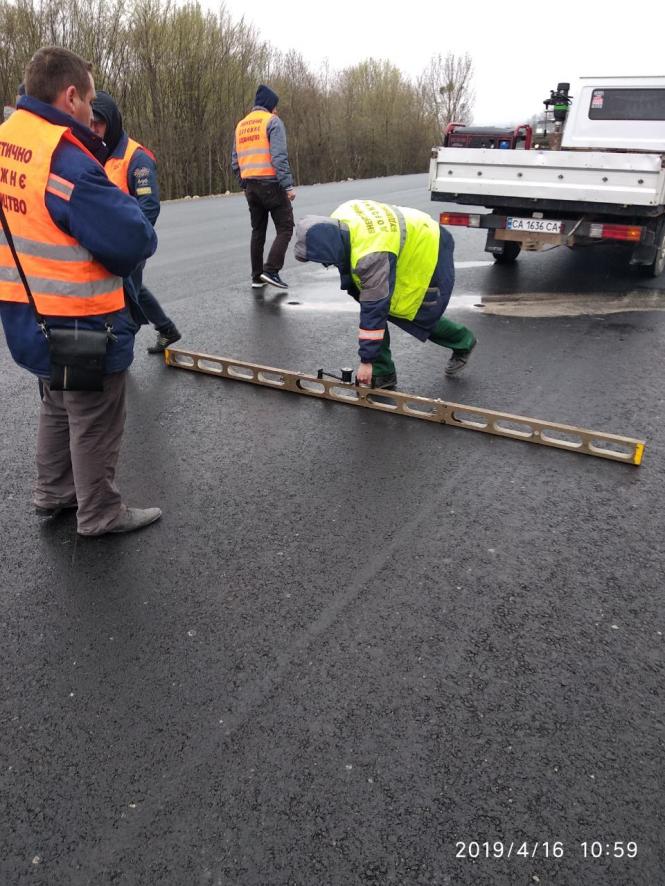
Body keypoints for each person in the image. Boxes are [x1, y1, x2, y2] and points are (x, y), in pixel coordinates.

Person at [0, 46, 161, 536]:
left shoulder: (7, 139)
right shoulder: (64, 160)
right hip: (80, 317)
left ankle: (53, 492)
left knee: (56, 399)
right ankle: (100, 512)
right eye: (90, 102)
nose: (94, 114)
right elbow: (134, 238)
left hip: (26, 311)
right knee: (93, 414)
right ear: (70, 96)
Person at [294, 199, 477, 389]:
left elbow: (375, 307)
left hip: (427, 245)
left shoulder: (371, 254)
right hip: (404, 239)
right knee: (375, 304)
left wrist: (366, 362)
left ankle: (462, 340)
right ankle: (383, 371)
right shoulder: (339, 219)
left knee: (408, 310)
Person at [91, 90, 181, 354]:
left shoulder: (136, 157)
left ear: (112, 122)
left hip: (129, 243)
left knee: (123, 298)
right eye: (91, 122)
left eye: (99, 123)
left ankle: (119, 358)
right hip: (106, 243)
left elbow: (149, 207)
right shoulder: (98, 152)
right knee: (134, 288)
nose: (94, 128)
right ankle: (167, 329)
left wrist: (129, 243)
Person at [232, 84, 295, 290]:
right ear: (269, 105)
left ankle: (257, 277)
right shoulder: (272, 122)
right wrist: (288, 186)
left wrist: (244, 184)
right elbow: (278, 157)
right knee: (285, 228)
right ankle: (271, 270)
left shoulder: (241, 125)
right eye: (275, 106)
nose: (276, 110)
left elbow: (235, 162)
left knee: (258, 231)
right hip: (271, 185)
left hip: (250, 187)